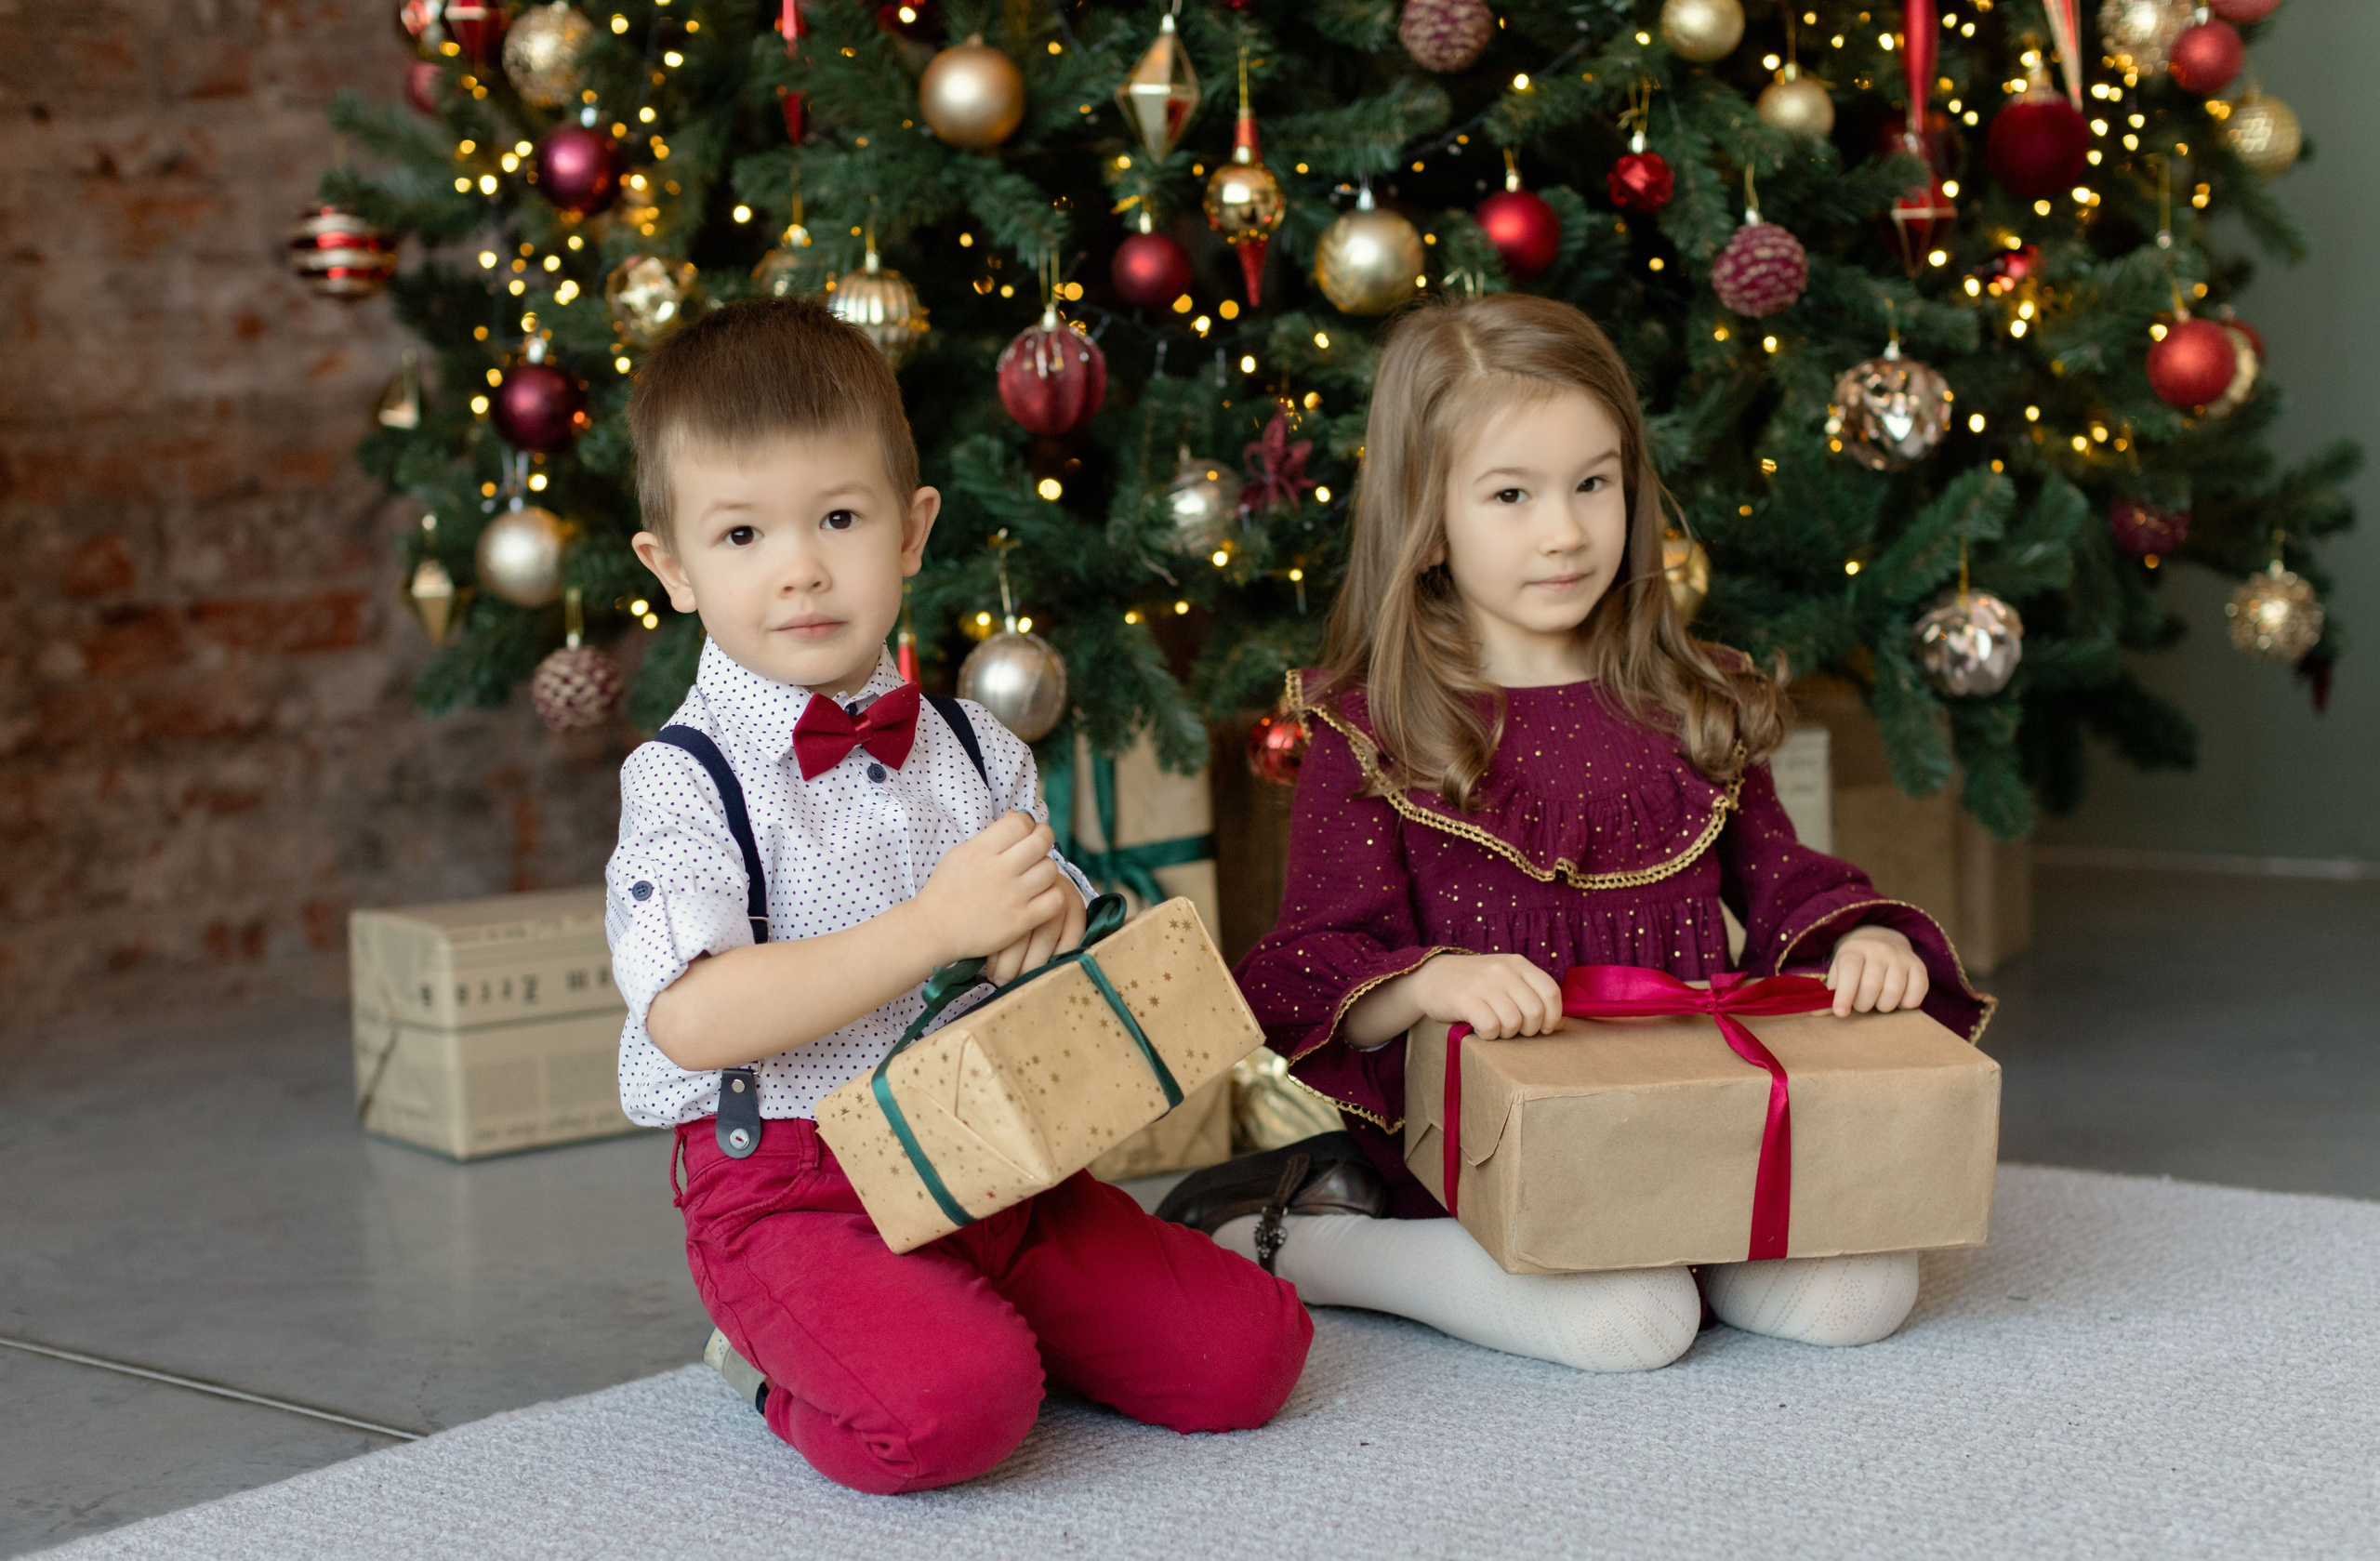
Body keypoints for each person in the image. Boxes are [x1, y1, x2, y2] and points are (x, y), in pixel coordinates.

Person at [1164, 293, 1992, 1373]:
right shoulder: (1374, 725)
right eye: (1511, 493)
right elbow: (1308, 963)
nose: (1565, 530)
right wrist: (1428, 983)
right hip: (1490, 1145)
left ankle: (1682, 1241)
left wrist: (1857, 943)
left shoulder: (1696, 697)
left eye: (1592, 483)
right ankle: (1319, 1248)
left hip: (1700, 1110)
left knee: (1864, 1291)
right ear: (1427, 517)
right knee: (1630, 1323)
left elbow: (1788, 882)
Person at [604, 298, 1311, 1494]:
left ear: (912, 528)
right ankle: (776, 1365)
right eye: (740, 536)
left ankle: (987, 1308)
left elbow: (1041, 936)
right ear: (669, 566)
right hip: (791, 1184)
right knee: (956, 1411)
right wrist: (932, 927)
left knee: (1250, 1353)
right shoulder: (683, 779)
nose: (802, 569)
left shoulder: (976, 743)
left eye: (839, 516)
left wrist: (1042, 934)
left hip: (993, 1151)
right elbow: (692, 1018)